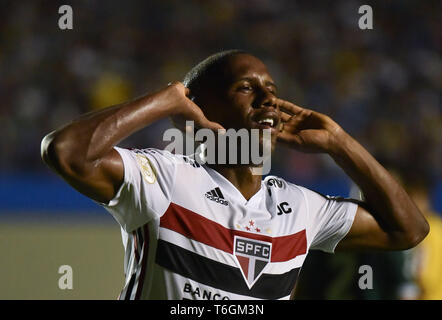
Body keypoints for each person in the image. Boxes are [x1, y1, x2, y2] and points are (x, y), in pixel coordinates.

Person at [40, 50, 429, 300]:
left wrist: (340, 142)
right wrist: (167, 99)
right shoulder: (163, 178)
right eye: (247, 88)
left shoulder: (301, 208)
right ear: (200, 108)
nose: (268, 99)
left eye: (272, 90)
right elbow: (66, 152)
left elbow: (408, 230)